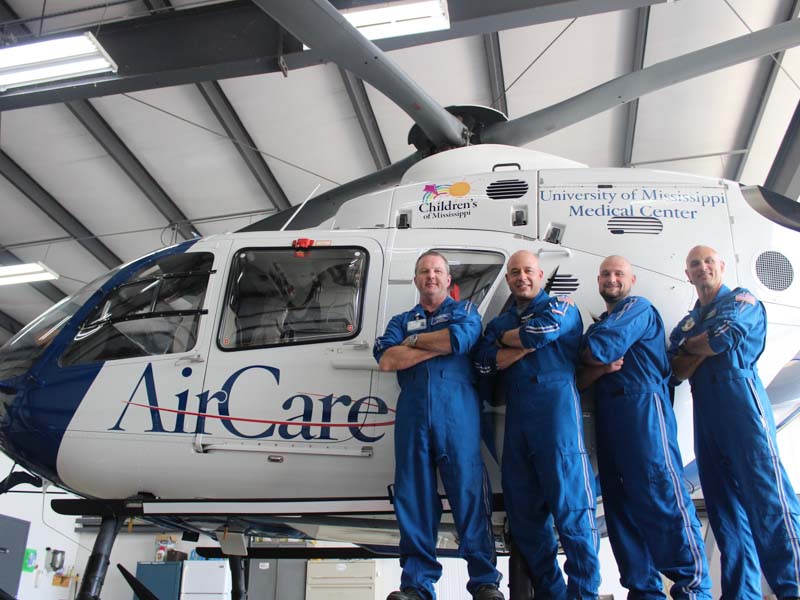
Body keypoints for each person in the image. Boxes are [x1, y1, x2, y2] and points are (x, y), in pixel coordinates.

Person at [669, 245, 800, 599]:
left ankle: (794, 588)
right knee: (725, 516)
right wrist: (701, 346)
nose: (702, 268)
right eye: (694, 263)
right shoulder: (688, 321)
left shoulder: (743, 301)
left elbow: (722, 339)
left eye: (708, 261)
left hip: (742, 406)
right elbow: (677, 368)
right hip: (706, 415)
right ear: (688, 274)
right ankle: (742, 594)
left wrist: (693, 348)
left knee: (770, 503)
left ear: (721, 267)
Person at [578, 255, 710, 599]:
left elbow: (597, 348)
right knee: (619, 509)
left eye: (618, 273)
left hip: (643, 411)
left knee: (662, 493)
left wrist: (595, 359)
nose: (611, 278)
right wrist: (596, 363)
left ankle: (693, 589)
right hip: (609, 418)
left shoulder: (637, 307)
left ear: (631, 279)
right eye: (605, 273)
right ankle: (643, 591)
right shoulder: (602, 321)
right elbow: (583, 371)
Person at [373, 250, 504, 600]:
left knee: (469, 495)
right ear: (416, 280)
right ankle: (416, 585)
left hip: (457, 414)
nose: (430, 276)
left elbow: (460, 340)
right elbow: (387, 360)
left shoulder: (465, 313)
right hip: (413, 416)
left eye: (437, 271)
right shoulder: (400, 320)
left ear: (448, 280)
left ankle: (485, 581)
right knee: (413, 497)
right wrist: (438, 344)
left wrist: (413, 343)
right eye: (424, 271)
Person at [473, 250, 601, 599]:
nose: (521, 277)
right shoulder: (498, 324)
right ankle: (553, 594)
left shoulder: (562, 306)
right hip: (517, 421)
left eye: (528, 271)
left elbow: (540, 334)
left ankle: (584, 593)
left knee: (572, 510)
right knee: (525, 517)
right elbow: (484, 363)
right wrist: (510, 342)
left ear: (541, 275)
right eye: (514, 272)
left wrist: (508, 343)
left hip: (557, 413)